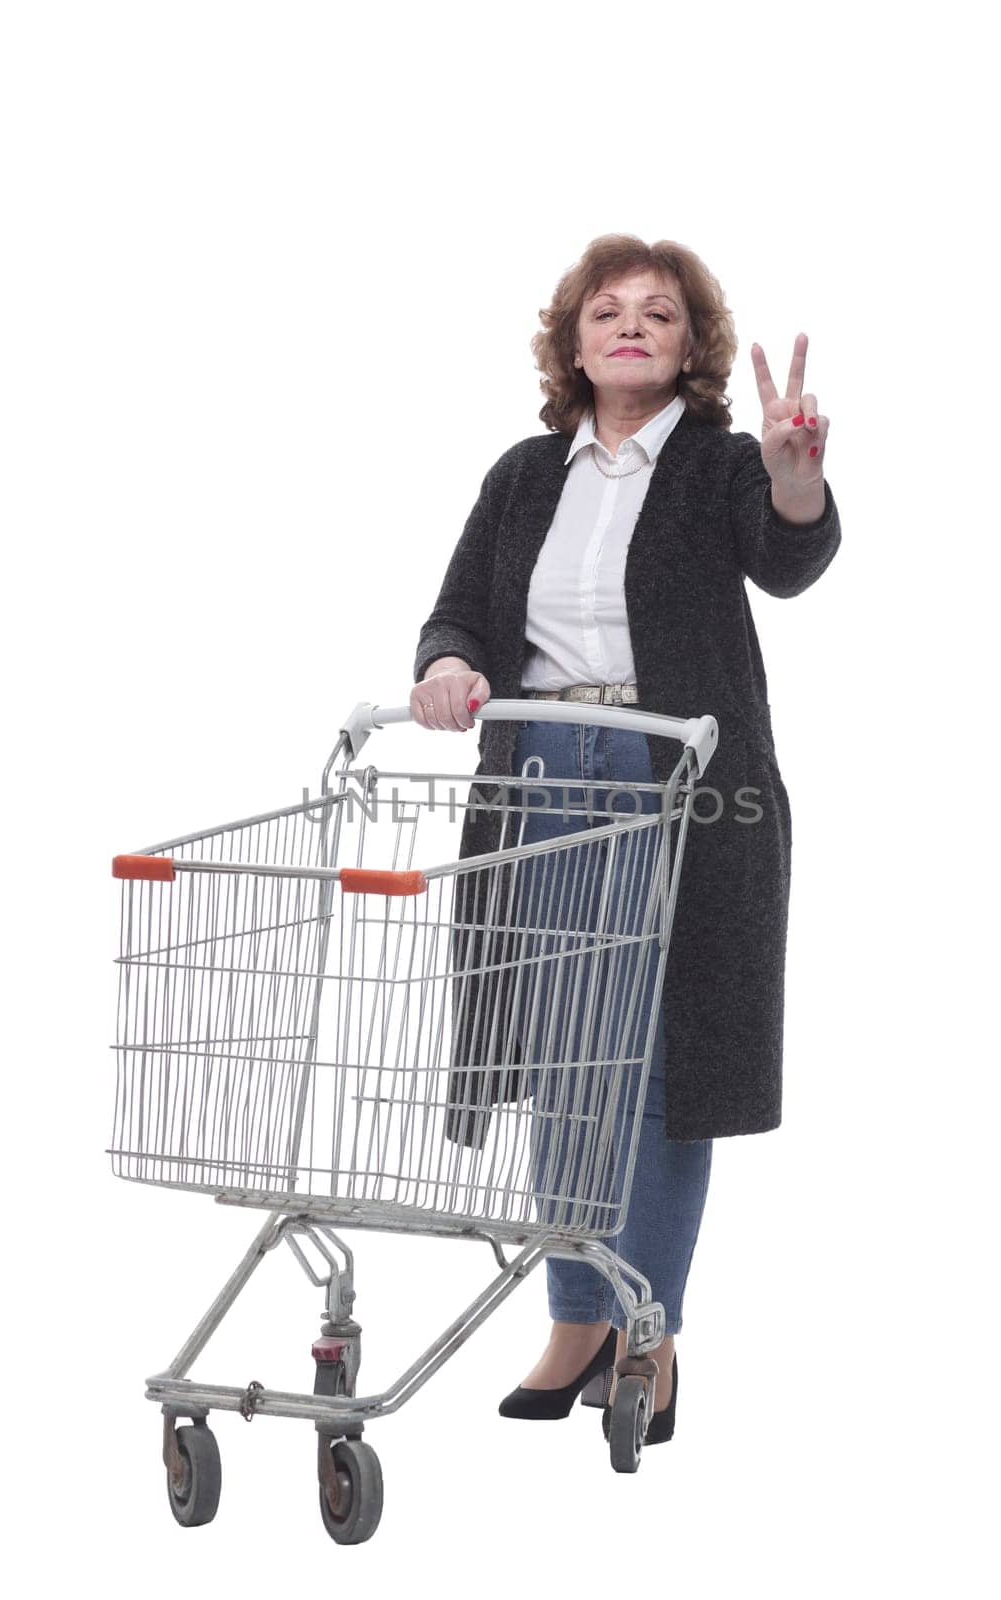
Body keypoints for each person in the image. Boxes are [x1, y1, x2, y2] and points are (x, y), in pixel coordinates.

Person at [408, 233, 842, 1445]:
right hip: (539, 776)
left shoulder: (718, 466)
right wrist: (448, 661)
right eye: (607, 310)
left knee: (659, 1061)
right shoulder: (521, 474)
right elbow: (459, 609)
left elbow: (788, 555)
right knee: (561, 1054)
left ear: (691, 345)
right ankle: (574, 1315)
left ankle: (649, 1330)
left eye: (660, 312)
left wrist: (794, 473)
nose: (631, 326)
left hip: (679, 787)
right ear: (574, 341)